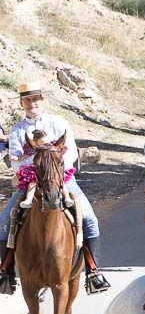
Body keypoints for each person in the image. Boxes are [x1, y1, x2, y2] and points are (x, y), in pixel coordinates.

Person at [0, 83, 110, 295]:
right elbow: (15, 162)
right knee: (4, 221)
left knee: (89, 219)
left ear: (42, 100)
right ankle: (6, 272)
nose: (32, 104)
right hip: (31, 181)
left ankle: (93, 271)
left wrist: (51, 164)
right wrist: (40, 163)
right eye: (27, 100)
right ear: (22, 103)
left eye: (35, 99)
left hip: (62, 179)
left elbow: (70, 154)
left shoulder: (58, 122)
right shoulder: (17, 130)